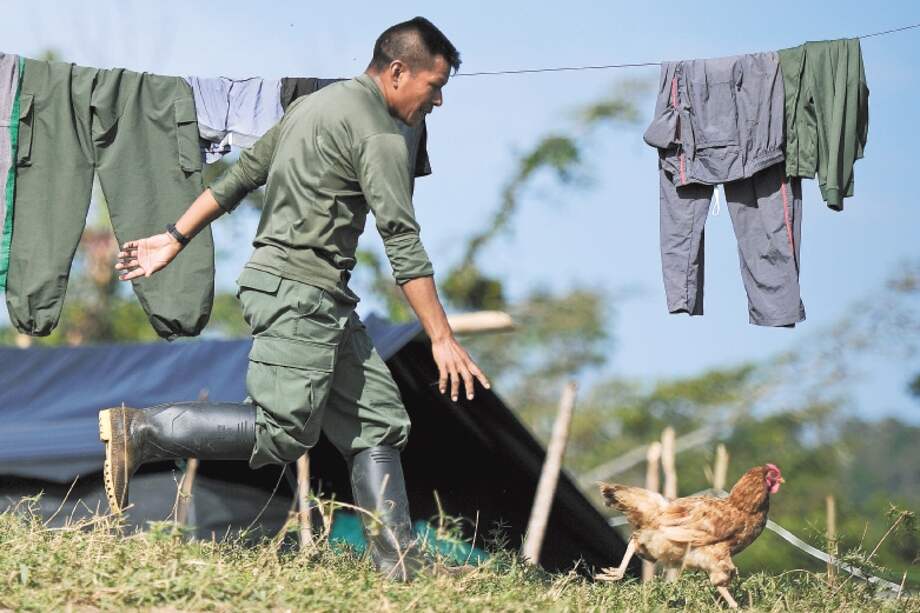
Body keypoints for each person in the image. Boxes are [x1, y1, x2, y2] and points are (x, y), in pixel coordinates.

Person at [99, 16, 490, 580]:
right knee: (282, 431)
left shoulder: (313, 106)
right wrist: (442, 338)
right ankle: (140, 430)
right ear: (398, 71)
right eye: (436, 86)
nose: (439, 101)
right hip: (299, 293)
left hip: (315, 294)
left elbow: (238, 179)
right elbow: (402, 241)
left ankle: (398, 566)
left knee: (376, 420)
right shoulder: (380, 135)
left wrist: (173, 237)